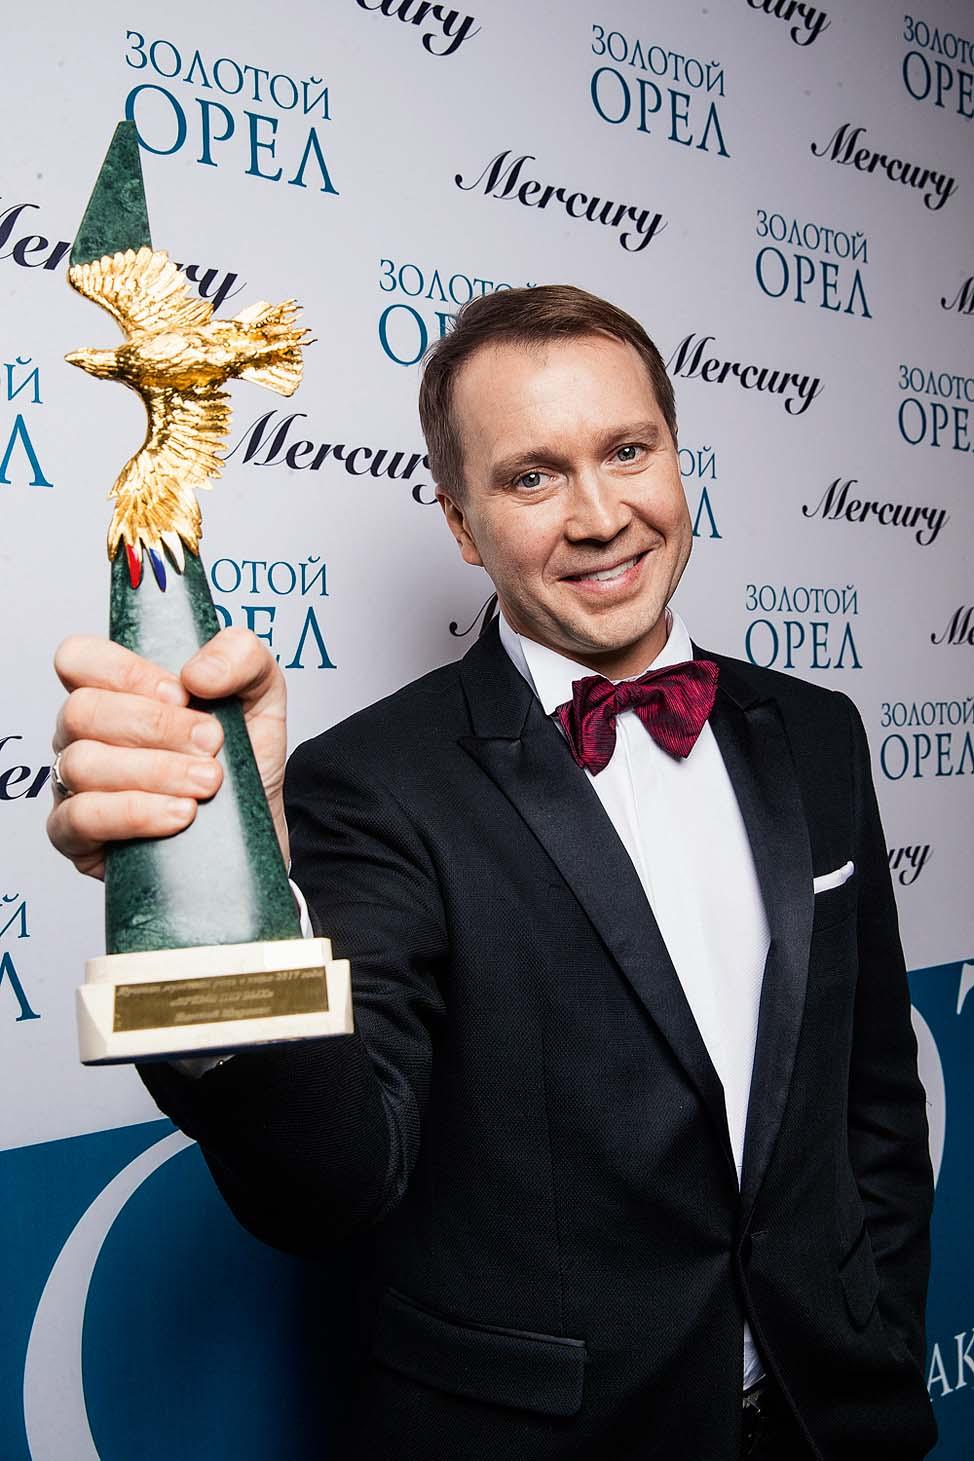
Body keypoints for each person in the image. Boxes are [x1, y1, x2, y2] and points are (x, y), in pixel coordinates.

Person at [48, 287, 936, 1461]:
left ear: (677, 457)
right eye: (530, 478)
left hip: (833, 1417)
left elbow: (872, 1097)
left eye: (627, 451)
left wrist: (880, 1339)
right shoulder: (370, 782)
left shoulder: (815, 732)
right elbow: (329, 1185)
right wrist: (223, 894)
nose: (600, 516)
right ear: (462, 526)